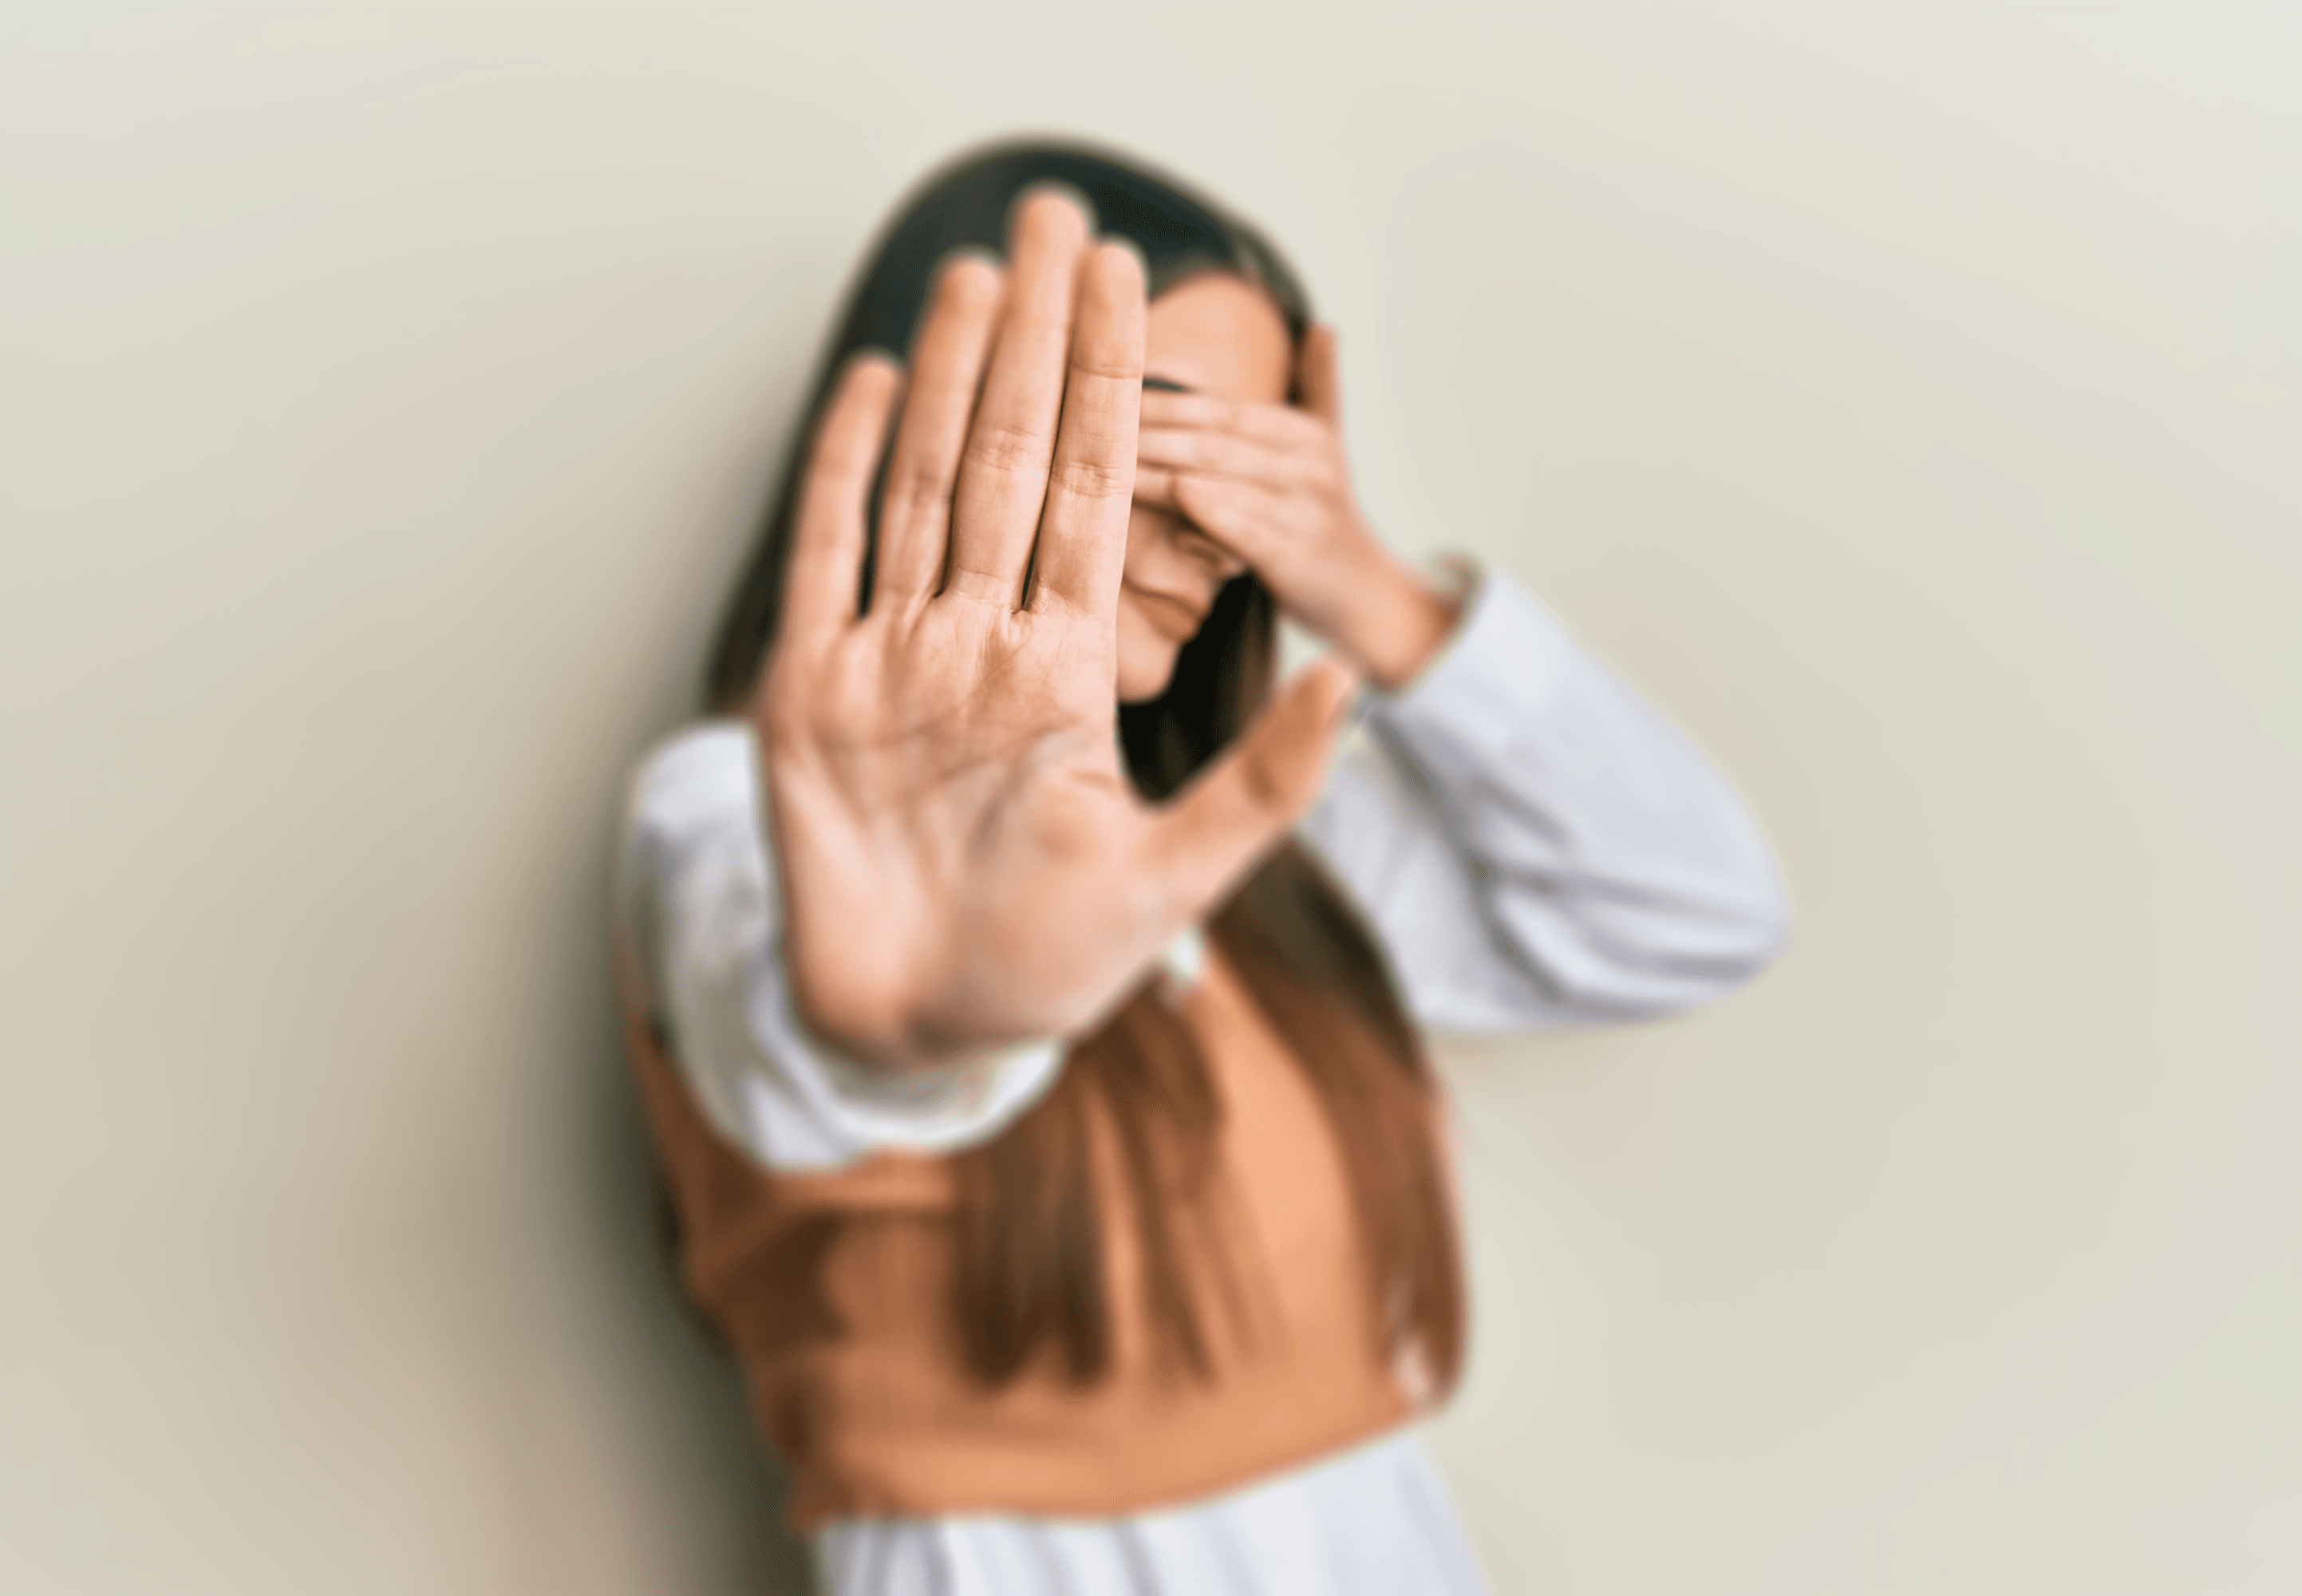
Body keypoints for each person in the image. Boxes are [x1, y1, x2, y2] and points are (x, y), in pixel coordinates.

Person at [610, 141, 1787, 1596]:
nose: (1212, 520)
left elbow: (1690, 907)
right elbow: (792, 1024)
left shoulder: (1257, 836)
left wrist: (1370, 587)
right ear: (952, 432)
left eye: (1258, 462)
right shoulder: (728, 816)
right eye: (1149, 442)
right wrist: (924, 1024)